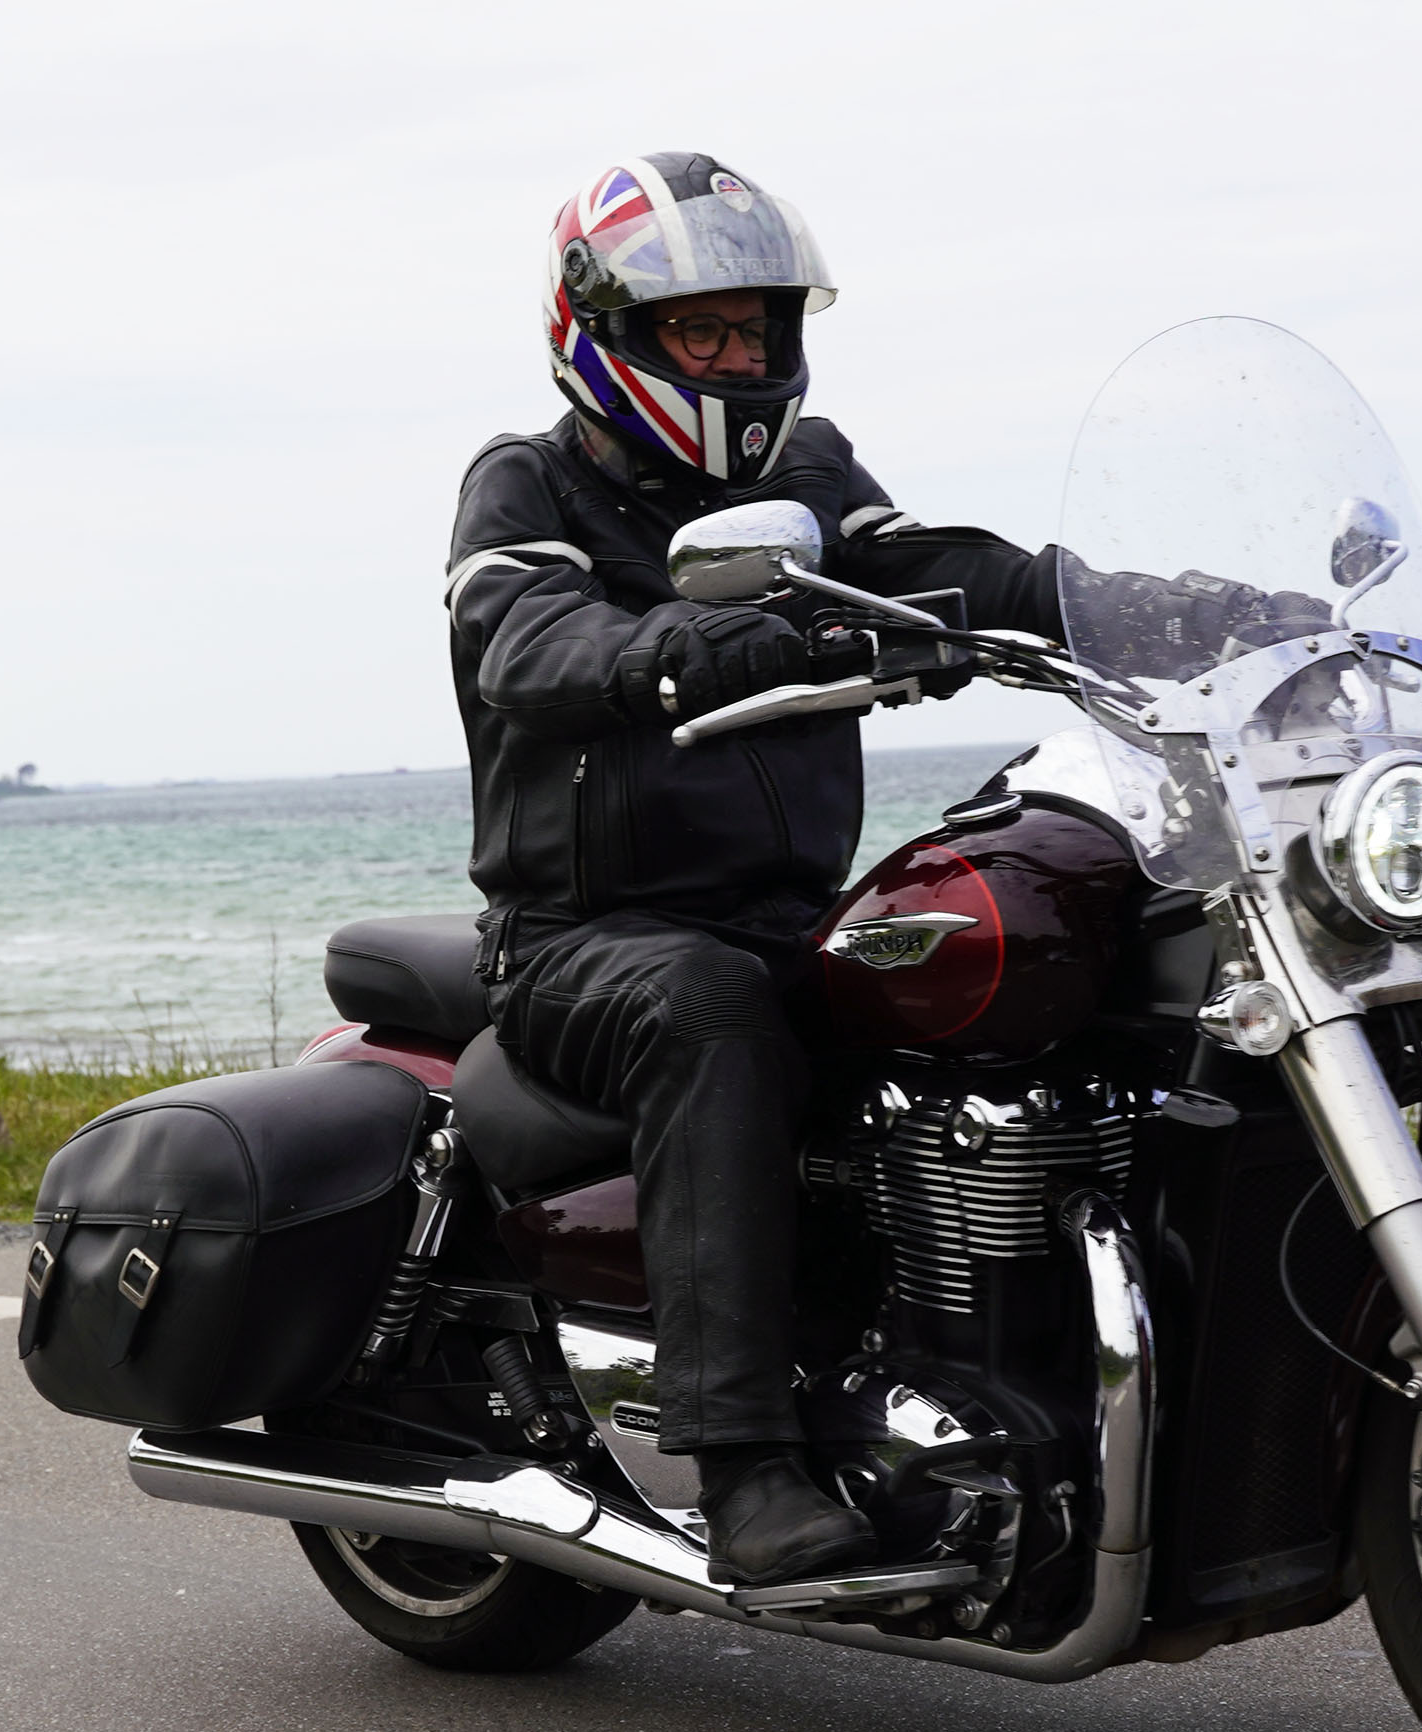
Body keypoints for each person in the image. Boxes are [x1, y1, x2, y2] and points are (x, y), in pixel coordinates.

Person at [447, 153, 1282, 1589]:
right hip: (584, 939)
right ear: (607, 332)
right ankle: (744, 1465)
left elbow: (943, 564)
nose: (738, 359)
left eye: (756, 330)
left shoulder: (812, 473)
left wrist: (1167, 608)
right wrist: (700, 644)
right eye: (701, 332)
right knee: (710, 1006)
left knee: (1042, 945)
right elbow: (527, 644)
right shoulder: (529, 482)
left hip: (788, 914)